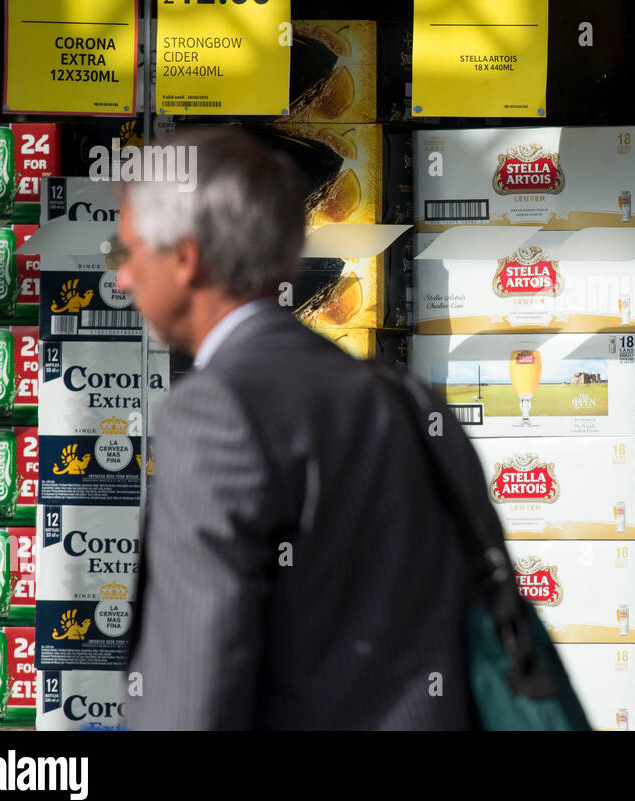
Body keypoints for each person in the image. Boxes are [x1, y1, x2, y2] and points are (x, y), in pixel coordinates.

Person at [117, 126, 475, 729]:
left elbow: (191, 686)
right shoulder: (406, 400)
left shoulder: (213, 414)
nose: (123, 278)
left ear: (185, 258)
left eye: (126, 252)